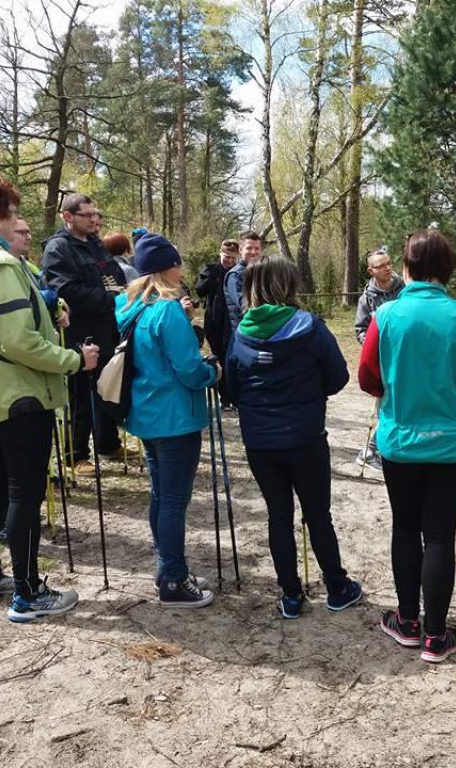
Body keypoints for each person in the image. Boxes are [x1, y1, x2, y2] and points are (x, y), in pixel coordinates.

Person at [0, 173, 98, 622]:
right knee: (24, 492)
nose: (16, 222)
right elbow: (18, 342)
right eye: (11, 212)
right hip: (19, 396)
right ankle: (28, 592)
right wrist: (73, 360)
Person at [359, 229, 456, 663]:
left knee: (405, 527)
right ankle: (436, 635)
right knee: (439, 533)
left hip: (401, 439)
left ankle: (407, 621)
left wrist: (399, 393)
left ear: (406, 268)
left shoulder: (387, 316)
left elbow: (367, 379)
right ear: (449, 269)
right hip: (453, 442)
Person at [227, 256, 362, 619]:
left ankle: (290, 594)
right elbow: (338, 377)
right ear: (288, 286)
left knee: (278, 516)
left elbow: (233, 387)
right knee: (318, 515)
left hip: (261, 441)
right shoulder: (311, 328)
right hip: (305, 437)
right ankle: (336, 586)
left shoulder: (240, 333)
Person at [115, 234, 219, 608]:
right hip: (175, 418)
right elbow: (189, 369)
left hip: (144, 413)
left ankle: (167, 568)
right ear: (166, 267)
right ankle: (173, 580)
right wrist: (213, 374)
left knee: (161, 495)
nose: (182, 268)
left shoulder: (128, 306)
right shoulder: (167, 310)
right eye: (177, 262)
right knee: (174, 500)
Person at [42, 193, 127, 472]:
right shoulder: (58, 248)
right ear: (68, 217)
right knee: (81, 394)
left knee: (107, 387)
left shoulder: (95, 244)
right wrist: (110, 297)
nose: (94, 219)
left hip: (106, 328)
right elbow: (66, 291)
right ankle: (75, 453)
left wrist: (118, 294)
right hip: (78, 333)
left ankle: (108, 442)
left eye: (95, 214)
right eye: (87, 215)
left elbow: (116, 276)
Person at [353, 247, 405, 471]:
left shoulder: (404, 289)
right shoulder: (367, 299)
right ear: (371, 270)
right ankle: (370, 450)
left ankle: (380, 448)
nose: (387, 268)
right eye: (381, 266)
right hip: (384, 361)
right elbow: (360, 330)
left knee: (400, 403)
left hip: (406, 355)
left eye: (388, 263)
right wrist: (374, 347)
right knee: (386, 404)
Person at [196, 239, 239, 407]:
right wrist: (212, 277)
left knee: (233, 358)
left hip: (232, 322)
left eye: (232, 258)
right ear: (220, 253)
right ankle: (224, 398)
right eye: (226, 256)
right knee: (219, 357)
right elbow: (199, 289)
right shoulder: (211, 269)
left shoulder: (239, 272)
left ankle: (234, 396)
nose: (228, 260)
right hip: (214, 320)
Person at [223, 230, 263, 332]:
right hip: (242, 332)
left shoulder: (262, 273)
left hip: (260, 330)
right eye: (249, 248)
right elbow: (244, 305)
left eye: (257, 248)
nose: (253, 252)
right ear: (240, 250)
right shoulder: (235, 276)